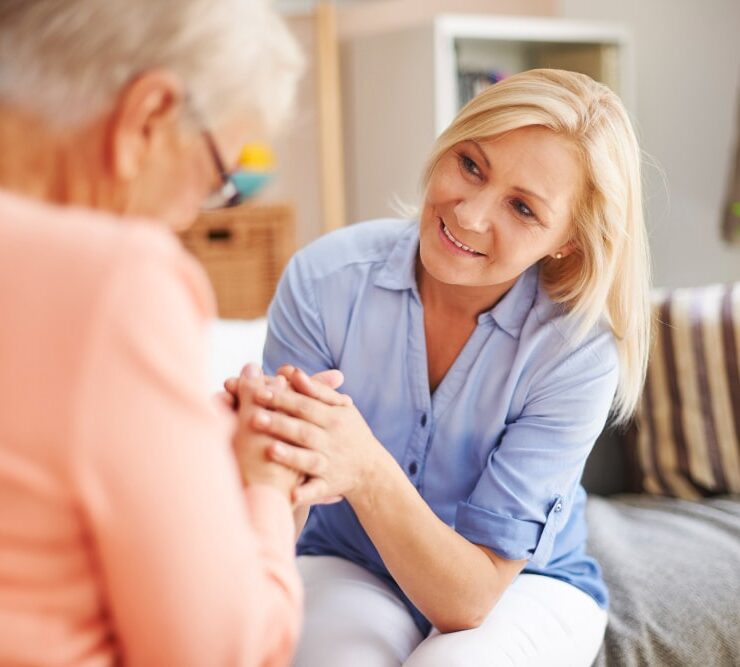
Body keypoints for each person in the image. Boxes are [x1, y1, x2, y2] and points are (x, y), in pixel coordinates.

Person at [239, 69, 651, 665]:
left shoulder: (577, 351)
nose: (470, 214)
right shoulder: (324, 280)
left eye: (523, 208)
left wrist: (364, 466)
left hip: (522, 589)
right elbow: (280, 508)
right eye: (471, 165)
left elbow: (470, 599)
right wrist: (260, 454)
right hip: (348, 560)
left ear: (569, 242)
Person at [0, 1, 319, 665]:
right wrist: (266, 485)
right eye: (214, 178)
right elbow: (222, 651)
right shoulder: (115, 279)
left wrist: (189, 441)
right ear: (148, 116)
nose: (184, 221)